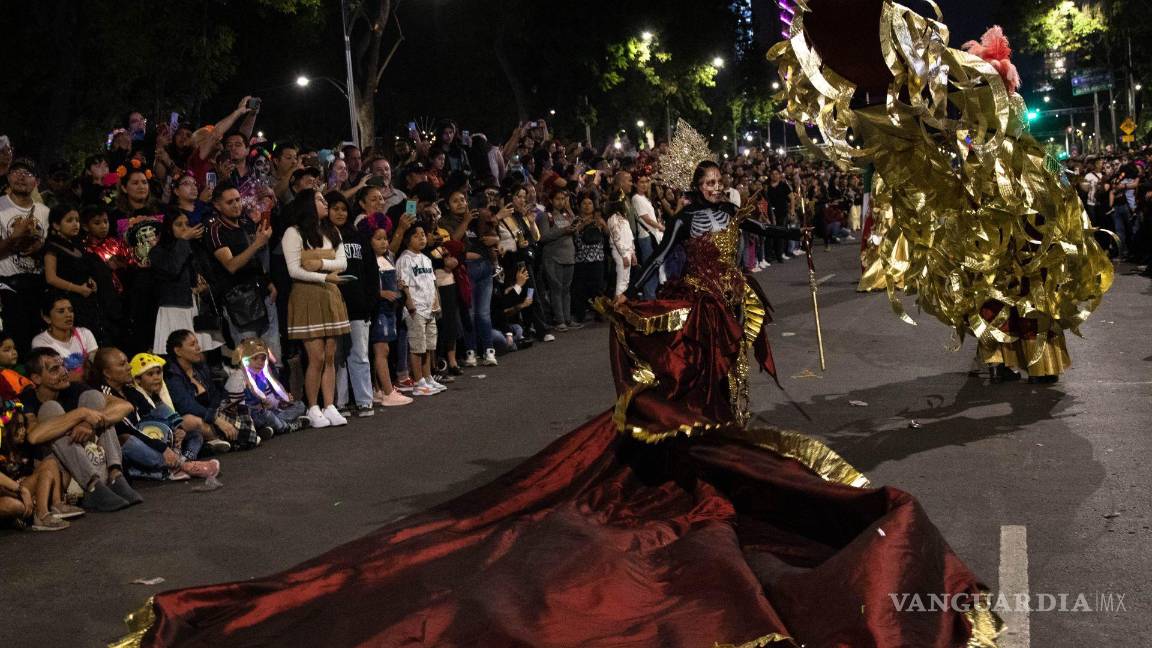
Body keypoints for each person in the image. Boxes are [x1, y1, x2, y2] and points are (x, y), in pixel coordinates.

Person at [117, 147, 995, 648]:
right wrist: (633, 301)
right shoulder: (686, 224)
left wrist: (788, 239)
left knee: (729, 406)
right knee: (687, 413)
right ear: (698, 194)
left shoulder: (735, 220)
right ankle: (698, 444)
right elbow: (656, 266)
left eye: (723, 190)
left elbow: (759, 238)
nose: (719, 196)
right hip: (692, 316)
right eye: (714, 190)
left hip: (733, 314)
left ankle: (724, 432)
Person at [22, 347, 141, 512]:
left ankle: (115, 475)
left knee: (94, 399)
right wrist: (81, 414)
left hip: (92, 458)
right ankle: (92, 486)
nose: (64, 371)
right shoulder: (28, 398)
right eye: (55, 369)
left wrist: (89, 423)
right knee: (51, 410)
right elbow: (34, 436)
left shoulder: (74, 388)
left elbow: (124, 406)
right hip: (60, 470)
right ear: (36, 378)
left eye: (63, 365)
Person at [282, 189, 351, 428]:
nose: (325, 203)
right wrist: (324, 277)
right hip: (306, 295)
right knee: (316, 356)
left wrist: (319, 263)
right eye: (320, 199)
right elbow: (293, 270)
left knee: (331, 355)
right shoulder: (294, 232)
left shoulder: (332, 231)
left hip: (330, 294)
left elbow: (343, 263)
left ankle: (329, 404)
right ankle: (313, 406)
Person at [325, 191, 378, 417]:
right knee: (337, 357)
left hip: (358, 305)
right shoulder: (323, 238)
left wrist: (370, 301)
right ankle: (341, 402)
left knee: (359, 354)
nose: (340, 213)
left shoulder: (358, 237)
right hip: (334, 304)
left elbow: (371, 271)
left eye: (343, 209)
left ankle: (365, 400)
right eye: (335, 208)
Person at [150, 211, 224, 355]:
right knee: (178, 354)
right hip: (174, 309)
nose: (185, 228)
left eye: (187, 224)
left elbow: (211, 277)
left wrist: (204, 287)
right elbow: (173, 268)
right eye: (179, 225)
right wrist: (183, 241)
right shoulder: (157, 252)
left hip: (197, 308)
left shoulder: (196, 248)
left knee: (200, 353)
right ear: (168, 228)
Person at [0, 158, 50, 352]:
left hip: (37, 285)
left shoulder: (45, 212)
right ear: (8, 177)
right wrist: (14, 237)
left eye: (27, 173)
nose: (21, 176)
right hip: (7, 286)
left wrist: (40, 247)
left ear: (36, 181)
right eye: (16, 171)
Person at [361, 222, 412, 407]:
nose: (384, 243)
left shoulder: (388, 258)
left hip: (391, 310)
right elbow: (367, 286)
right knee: (381, 350)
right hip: (379, 310)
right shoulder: (369, 261)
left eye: (385, 239)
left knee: (384, 350)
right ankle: (388, 391)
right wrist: (381, 293)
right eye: (378, 239)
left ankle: (379, 390)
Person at [395, 224, 443, 397]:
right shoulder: (404, 259)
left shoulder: (427, 259)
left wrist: (436, 303)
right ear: (408, 239)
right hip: (416, 309)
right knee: (417, 347)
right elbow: (404, 284)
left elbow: (432, 282)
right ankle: (418, 381)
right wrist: (411, 306)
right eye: (417, 236)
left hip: (429, 308)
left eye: (423, 235)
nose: (422, 238)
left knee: (429, 346)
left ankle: (427, 377)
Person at [224, 338, 307, 437]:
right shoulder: (238, 378)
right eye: (255, 358)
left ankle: (271, 427)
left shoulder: (261, 377)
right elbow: (238, 409)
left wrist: (281, 403)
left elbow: (270, 400)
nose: (260, 362)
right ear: (245, 360)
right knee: (267, 415)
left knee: (300, 405)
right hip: (249, 415)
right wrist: (259, 407)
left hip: (264, 412)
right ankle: (287, 426)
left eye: (263, 359)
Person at [31, 294, 98, 384]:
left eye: (70, 310)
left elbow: (97, 367)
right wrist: (86, 374)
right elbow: (56, 377)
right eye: (61, 311)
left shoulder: (85, 333)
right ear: (47, 318)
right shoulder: (41, 342)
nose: (68, 315)